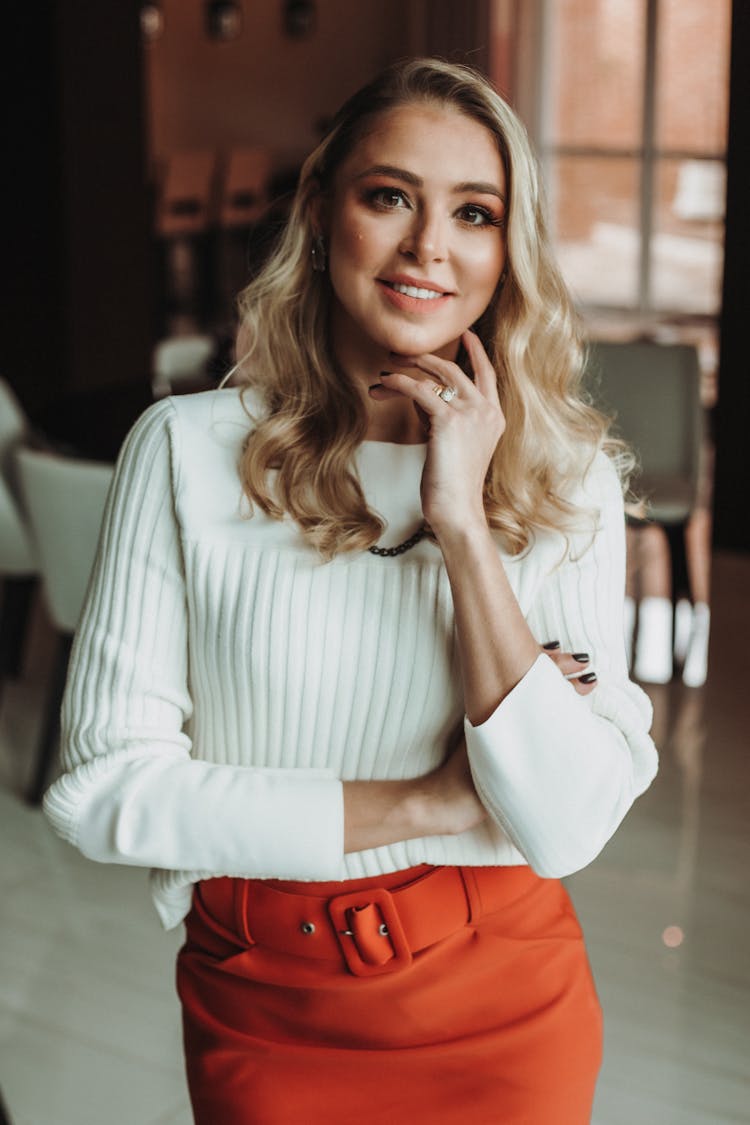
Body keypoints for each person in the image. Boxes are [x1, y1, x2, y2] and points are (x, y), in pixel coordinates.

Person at [43, 58, 658, 1124]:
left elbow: (559, 829)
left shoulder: (568, 484)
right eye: (390, 197)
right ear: (322, 217)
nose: (430, 246)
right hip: (263, 1009)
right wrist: (430, 803)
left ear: (508, 251)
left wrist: (462, 523)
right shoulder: (186, 454)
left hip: (505, 1011)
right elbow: (101, 793)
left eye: (475, 212)